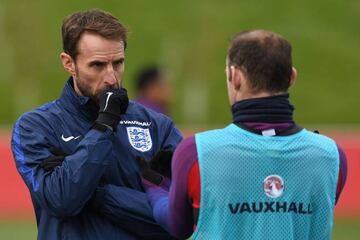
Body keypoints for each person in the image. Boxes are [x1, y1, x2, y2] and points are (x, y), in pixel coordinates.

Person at [139, 30, 348, 239]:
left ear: (234, 76)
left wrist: (155, 188)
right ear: (292, 77)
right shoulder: (333, 156)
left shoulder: (195, 153)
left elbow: (178, 227)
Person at [11, 9, 182, 240]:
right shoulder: (37, 127)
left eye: (118, 63)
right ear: (69, 63)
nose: (112, 78)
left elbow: (182, 215)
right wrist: (104, 126)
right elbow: (61, 201)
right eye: (98, 65)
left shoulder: (156, 125)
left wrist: (94, 193)